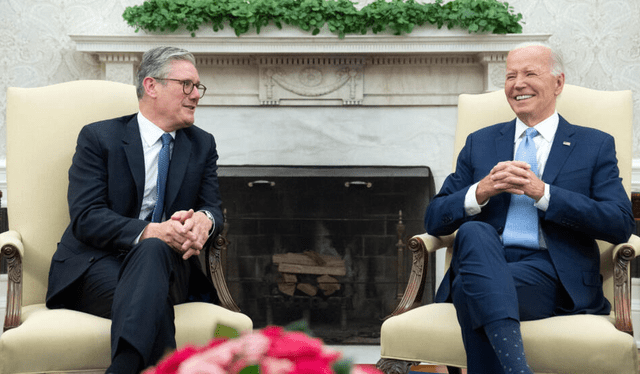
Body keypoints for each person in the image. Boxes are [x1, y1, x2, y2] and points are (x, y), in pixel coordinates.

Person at [424, 42, 635, 374]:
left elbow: (619, 223)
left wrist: (544, 193)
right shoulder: (481, 142)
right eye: (510, 76)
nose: (517, 84)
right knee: (475, 231)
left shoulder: (594, 144)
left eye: (529, 73)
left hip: (552, 272)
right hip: (486, 257)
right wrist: (479, 192)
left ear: (558, 83)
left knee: (469, 288)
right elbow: (434, 218)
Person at [45, 46, 224, 373]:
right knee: (152, 287)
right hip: (96, 263)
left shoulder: (202, 144)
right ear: (152, 86)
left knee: (154, 255)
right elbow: (86, 216)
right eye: (186, 84)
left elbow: (212, 207)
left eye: (198, 86)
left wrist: (204, 220)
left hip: (171, 269)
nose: (196, 94)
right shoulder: (99, 138)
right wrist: (152, 231)